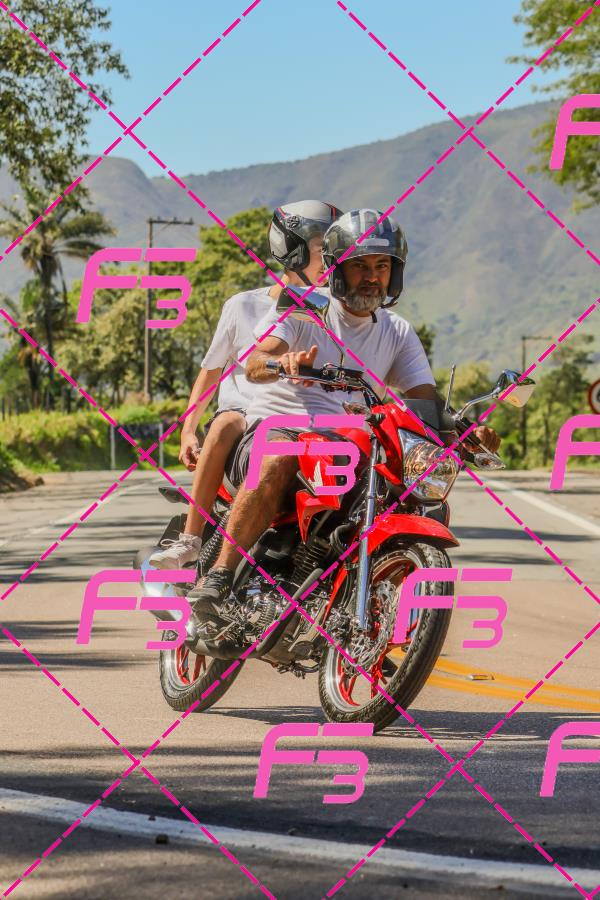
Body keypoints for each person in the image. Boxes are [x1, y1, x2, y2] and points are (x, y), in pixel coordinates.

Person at [188, 208, 500, 612]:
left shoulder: (397, 331)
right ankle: (219, 576)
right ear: (337, 268)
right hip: (277, 428)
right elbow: (255, 362)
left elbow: (424, 400)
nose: (372, 277)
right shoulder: (305, 308)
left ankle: (365, 605)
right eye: (360, 266)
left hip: (346, 444)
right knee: (279, 456)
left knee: (405, 491)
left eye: (382, 266)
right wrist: (282, 363)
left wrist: (465, 430)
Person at [150, 200, 342, 569]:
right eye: (323, 249)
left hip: (300, 419)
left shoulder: (336, 310)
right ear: (293, 249)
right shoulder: (242, 306)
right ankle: (190, 539)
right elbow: (210, 372)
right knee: (226, 422)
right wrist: (188, 430)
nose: (332, 260)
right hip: (245, 417)